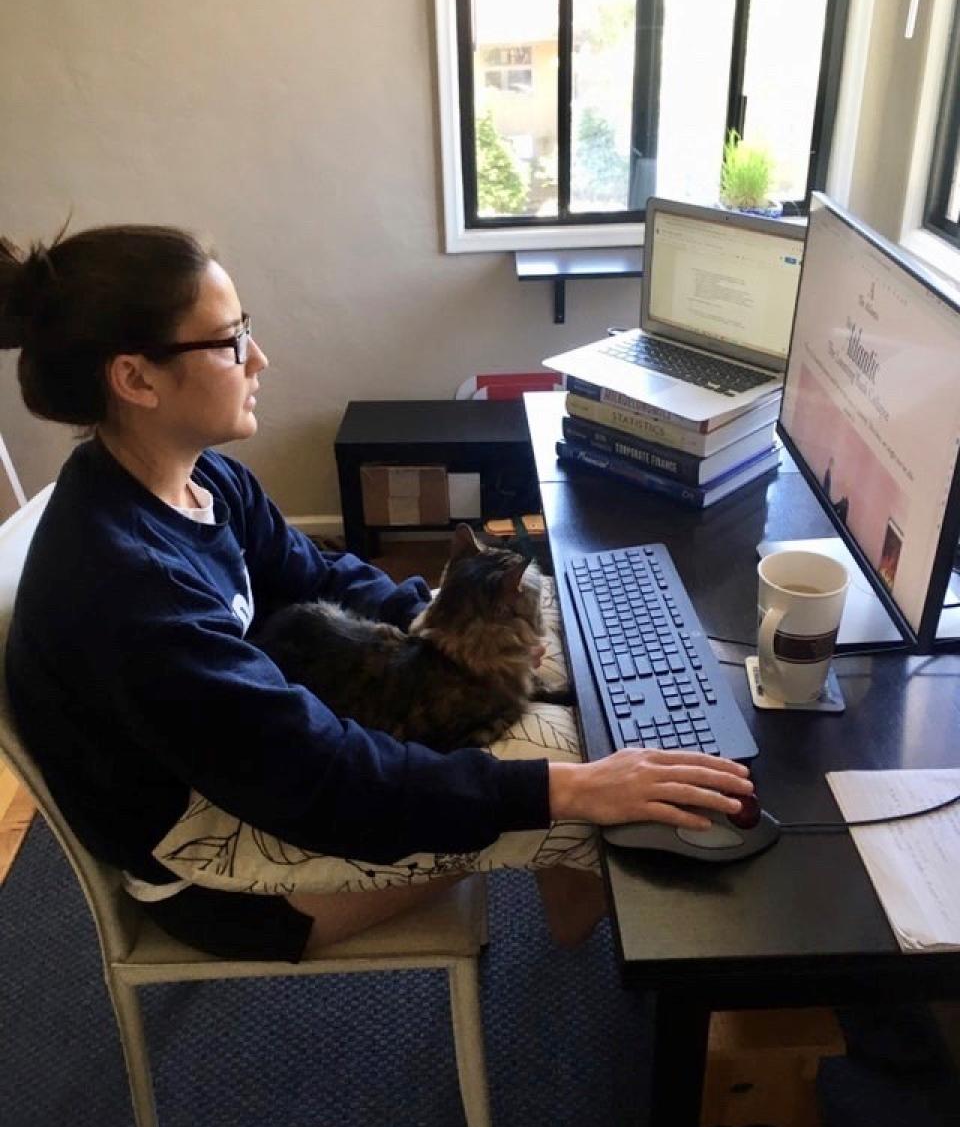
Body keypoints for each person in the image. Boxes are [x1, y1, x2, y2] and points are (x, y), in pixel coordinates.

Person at [0, 224, 753, 961]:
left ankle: (576, 898)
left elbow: (320, 576)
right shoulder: (129, 591)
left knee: (583, 673)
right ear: (135, 378)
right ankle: (655, 966)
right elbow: (328, 779)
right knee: (592, 772)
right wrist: (567, 791)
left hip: (255, 761)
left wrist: (437, 622)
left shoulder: (197, 479)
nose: (259, 358)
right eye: (231, 342)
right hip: (211, 865)